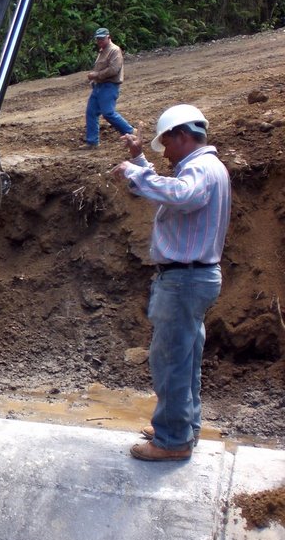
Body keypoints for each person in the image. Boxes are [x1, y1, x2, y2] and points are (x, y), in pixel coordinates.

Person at [111, 104, 230, 461]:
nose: (167, 154)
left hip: (184, 280)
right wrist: (140, 161)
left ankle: (173, 439)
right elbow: (177, 193)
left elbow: (181, 194)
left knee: (171, 360)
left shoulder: (199, 169)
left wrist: (136, 172)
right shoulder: (207, 168)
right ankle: (183, 425)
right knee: (186, 356)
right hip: (194, 278)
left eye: (167, 144)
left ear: (182, 135)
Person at [84, 27, 136, 148]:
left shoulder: (114, 50)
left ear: (108, 37)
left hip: (109, 86)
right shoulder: (102, 50)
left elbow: (114, 69)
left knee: (108, 113)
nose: (99, 41)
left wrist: (96, 75)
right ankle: (92, 142)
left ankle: (131, 132)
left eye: (102, 39)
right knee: (91, 112)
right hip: (98, 86)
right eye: (98, 39)